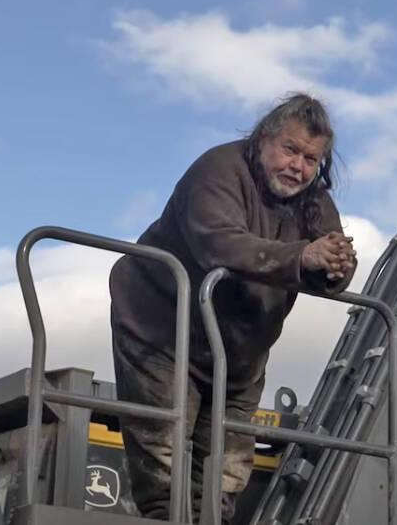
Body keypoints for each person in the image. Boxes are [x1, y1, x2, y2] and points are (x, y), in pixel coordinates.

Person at [108, 93, 356, 523]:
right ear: (264, 139)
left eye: (311, 159)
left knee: (226, 474)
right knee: (166, 466)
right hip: (163, 332)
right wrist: (304, 257)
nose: (298, 166)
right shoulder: (217, 169)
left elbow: (326, 257)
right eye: (291, 149)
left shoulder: (313, 200)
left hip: (241, 351)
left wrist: (337, 265)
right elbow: (219, 244)